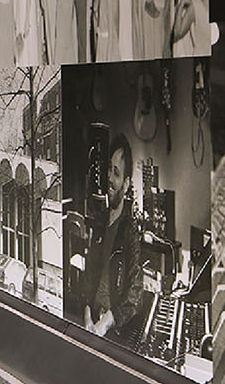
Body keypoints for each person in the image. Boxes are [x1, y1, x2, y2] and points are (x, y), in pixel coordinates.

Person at [83, 132, 146, 344]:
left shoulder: (130, 232)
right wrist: (87, 314)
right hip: (90, 323)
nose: (109, 178)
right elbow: (89, 276)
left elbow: (134, 295)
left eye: (116, 173)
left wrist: (106, 322)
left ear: (126, 184)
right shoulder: (99, 222)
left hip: (112, 333)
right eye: (109, 169)